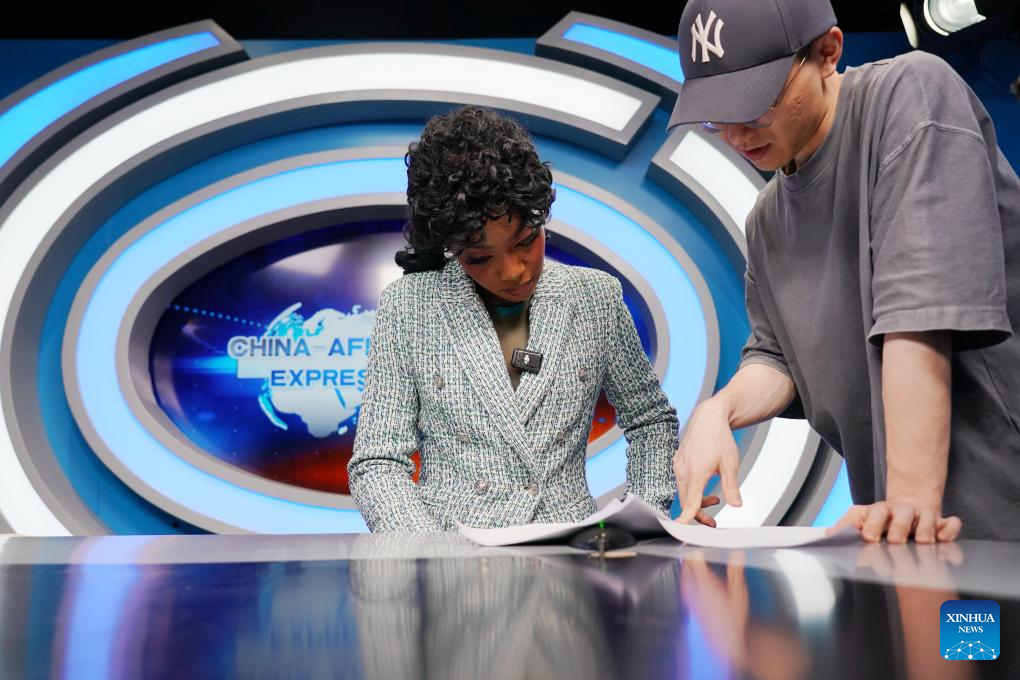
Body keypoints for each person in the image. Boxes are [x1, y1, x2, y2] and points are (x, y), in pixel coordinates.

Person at [669, 0, 1020, 542]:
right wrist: (719, 410)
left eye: (755, 106)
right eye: (717, 116)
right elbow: (777, 358)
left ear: (827, 52)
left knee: (975, 607)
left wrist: (908, 500)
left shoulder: (910, 94)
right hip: (906, 534)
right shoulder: (766, 219)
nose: (737, 135)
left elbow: (917, 317)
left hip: (993, 514)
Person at [348, 106, 696, 532]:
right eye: (480, 258)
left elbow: (650, 422)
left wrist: (645, 519)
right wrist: (429, 552)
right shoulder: (409, 306)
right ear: (450, 248)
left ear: (541, 215)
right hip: (452, 555)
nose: (513, 271)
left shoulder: (595, 298)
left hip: (569, 552)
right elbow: (377, 461)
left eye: (526, 240)